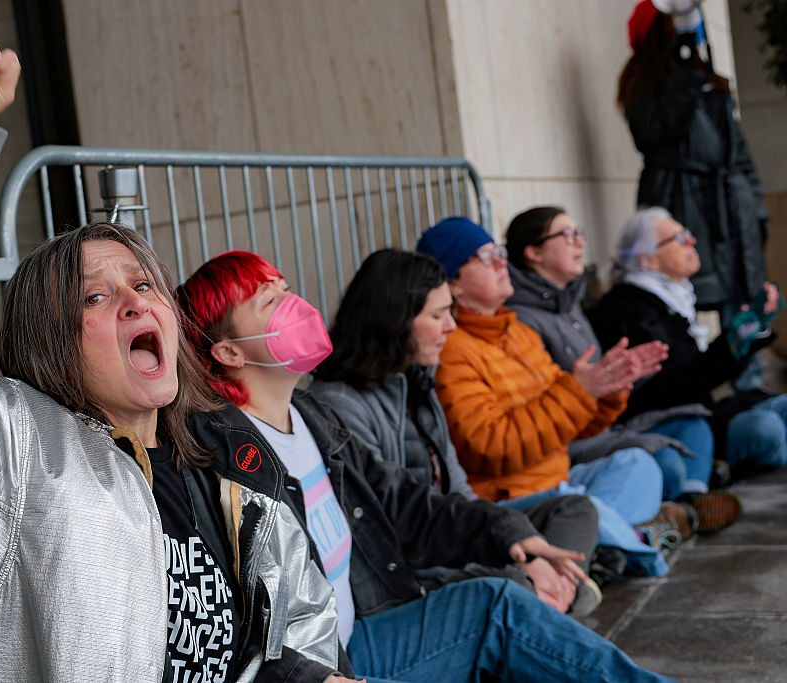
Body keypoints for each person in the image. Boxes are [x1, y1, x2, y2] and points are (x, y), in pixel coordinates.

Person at [0, 41, 347, 682]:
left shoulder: (228, 452)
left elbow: (298, 622)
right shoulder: (6, 453)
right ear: (48, 340)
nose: (137, 305)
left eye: (145, 285)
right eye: (95, 296)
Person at [178, 249, 673, 683]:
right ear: (227, 351)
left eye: (286, 290)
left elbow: (404, 503)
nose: (295, 307)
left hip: (364, 636)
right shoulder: (226, 455)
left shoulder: (310, 416)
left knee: (500, 599)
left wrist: (507, 531)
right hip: (326, 672)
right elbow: (237, 619)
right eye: (270, 303)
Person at [303, 249, 601, 613]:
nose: (451, 327)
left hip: (457, 531)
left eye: (450, 312)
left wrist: (511, 544)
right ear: (396, 320)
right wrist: (506, 550)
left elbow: (458, 488)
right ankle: (555, 592)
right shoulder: (339, 404)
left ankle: (547, 594)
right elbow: (388, 523)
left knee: (574, 509)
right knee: (510, 584)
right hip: (412, 566)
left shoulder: (415, 381)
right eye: (438, 315)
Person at [418, 216, 687, 577]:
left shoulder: (518, 332)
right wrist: (580, 390)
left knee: (638, 465)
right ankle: (628, 543)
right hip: (515, 498)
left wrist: (607, 389)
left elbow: (576, 426)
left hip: (562, 480)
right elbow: (490, 447)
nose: (502, 262)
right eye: (485, 257)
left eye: (499, 252)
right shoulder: (451, 351)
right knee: (581, 506)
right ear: (453, 285)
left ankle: (596, 546)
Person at [505, 205, 741, 531]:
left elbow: (608, 390)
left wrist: (621, 380)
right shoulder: (523, 319)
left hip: (604, 425)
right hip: (571, 440)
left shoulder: (569, 305)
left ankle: (683, 507)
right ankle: (660, 521)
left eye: (579, 233)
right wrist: (601, 386)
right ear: (533, 253)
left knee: (693, 427)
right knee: (668, 461)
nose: (579, 243)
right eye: (566, 235)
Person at [619, 0, 770, 391]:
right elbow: (655, 132)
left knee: (741, 300)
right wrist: (683, 70)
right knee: (684, 303)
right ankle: (701, 400)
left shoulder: (710, 82)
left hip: (732, 209)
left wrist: (756, 211)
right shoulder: (644, 85)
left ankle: (748, 393)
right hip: (685, 206)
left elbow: (740, 156)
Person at [589, 207, 787, 482]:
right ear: (649, 260)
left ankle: (719, 469)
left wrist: (749, 333)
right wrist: (735, 341)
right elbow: (677, 386)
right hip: (669, 424)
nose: (692, 241)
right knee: (766, 429)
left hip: (700, 412)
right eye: (679, 239)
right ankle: (715, 475)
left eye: (688, 234)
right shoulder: (632, 309)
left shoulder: (671, 296)